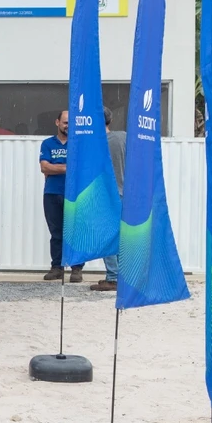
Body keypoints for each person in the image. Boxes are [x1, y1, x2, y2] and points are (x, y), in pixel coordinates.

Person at [40, 110, 83, 282]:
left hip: (75, 195)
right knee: (56, 232)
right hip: (52, 193)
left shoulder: (79, 144)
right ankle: (56, 267)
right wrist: (68, 168)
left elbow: (82, 169)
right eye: (65, 122)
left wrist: (55, 167)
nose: (68, 126)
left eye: (71, 123)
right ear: (57, 122)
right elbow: (44, 168)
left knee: (75, 232)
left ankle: (77, 269)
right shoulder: (47, 144)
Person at [92, 107, 127, 292]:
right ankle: (124, 277)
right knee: (122, 236)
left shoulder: (91, 143)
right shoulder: (123, 137)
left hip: (103, 195)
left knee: (108, 237)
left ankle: (113, 277)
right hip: (124, 193)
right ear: (110, 120)